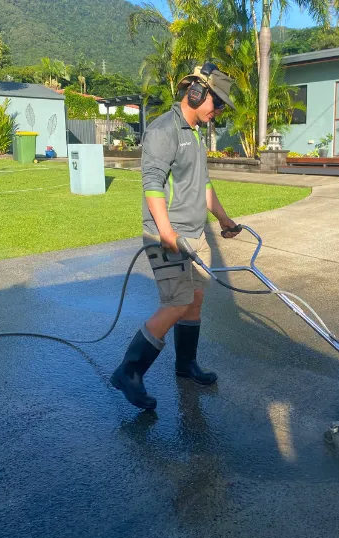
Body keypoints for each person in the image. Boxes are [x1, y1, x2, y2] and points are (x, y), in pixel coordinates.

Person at [110, 62, 241, 410]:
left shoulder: (196, 132)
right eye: (217, 102)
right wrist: (166, 234)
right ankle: (129, 371)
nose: (219, 111)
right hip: (167, 235)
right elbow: (151, 183)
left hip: (194, 234)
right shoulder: (163, 130)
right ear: (196, 93)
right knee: (177, 302)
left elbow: (203, 184)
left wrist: (224, 220)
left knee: (194, 299)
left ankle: (185, 365)